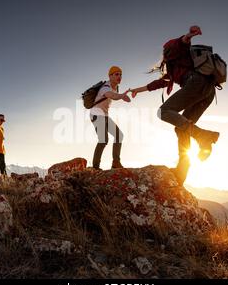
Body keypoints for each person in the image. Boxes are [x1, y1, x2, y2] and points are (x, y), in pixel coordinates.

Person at [130, 26, 220, 186]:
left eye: (165, 51)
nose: (164, 53)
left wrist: (189, 35)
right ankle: (181, 172)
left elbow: (181, 43)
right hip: (208, 91)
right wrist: (138, 90)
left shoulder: (173, 50)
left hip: (196, 83)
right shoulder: (174, 68)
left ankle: (202, 136)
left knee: (163, 111)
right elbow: (158, 83)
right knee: (181, 127)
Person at [90, 66, 131, 169]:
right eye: (116, 74)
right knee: (103, 140)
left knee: (119, 135)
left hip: (104, 115)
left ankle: (115, 163)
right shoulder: (105, 87)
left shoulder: (115, 87)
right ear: (110, 76)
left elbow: (114, 96)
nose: (119, 77)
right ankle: (95, 167)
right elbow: (111, 95)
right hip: (96, 114)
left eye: (120, 74)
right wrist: (122, 96)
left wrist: (121, 96)